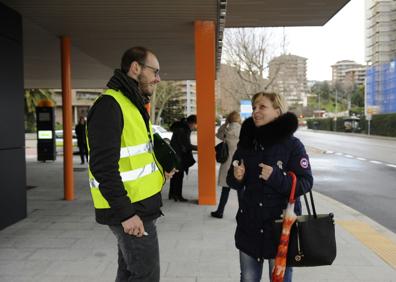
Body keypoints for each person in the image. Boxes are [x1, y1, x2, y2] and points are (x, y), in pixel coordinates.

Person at [86, 46, 175, 282]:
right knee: (146, 276)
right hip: (131, 211)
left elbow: (135, 154)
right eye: (154, 71)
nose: (157, 79)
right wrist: (126, 214)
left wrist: (159, 170)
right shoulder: (110, 105)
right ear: (136, 68)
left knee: (128, 272)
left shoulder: (131, 104)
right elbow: (103, 167)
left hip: (140, 206)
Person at [226, 92, 313, 282]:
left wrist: (276, 177)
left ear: (277, 111)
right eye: (254, 107)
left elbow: (306, 182)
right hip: (250, 227)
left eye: (262, 107)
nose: (256, 111)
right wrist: (237, 177)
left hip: (281, 231)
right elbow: (231, 181)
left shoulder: (293, 145)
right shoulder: (247, 143)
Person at [211, 111, 241, 218]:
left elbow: (218, 135)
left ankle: (220, 211)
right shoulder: (243, 130)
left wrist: (225, 124)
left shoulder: (226, 130)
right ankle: (242, 214)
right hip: (239, 163)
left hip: (227, 162)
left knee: (226, 188)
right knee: (240, 189)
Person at [168, 115, 198, 202]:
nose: (195, 127)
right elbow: (187, 145)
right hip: (179, 156)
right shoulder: (184, 129)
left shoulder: (180, 126)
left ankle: (172, 194)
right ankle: (178, 195)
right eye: (196, 124)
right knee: (179, 176)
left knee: (175, 175)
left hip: (175, 154)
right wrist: (198, 147)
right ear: (192, 123)